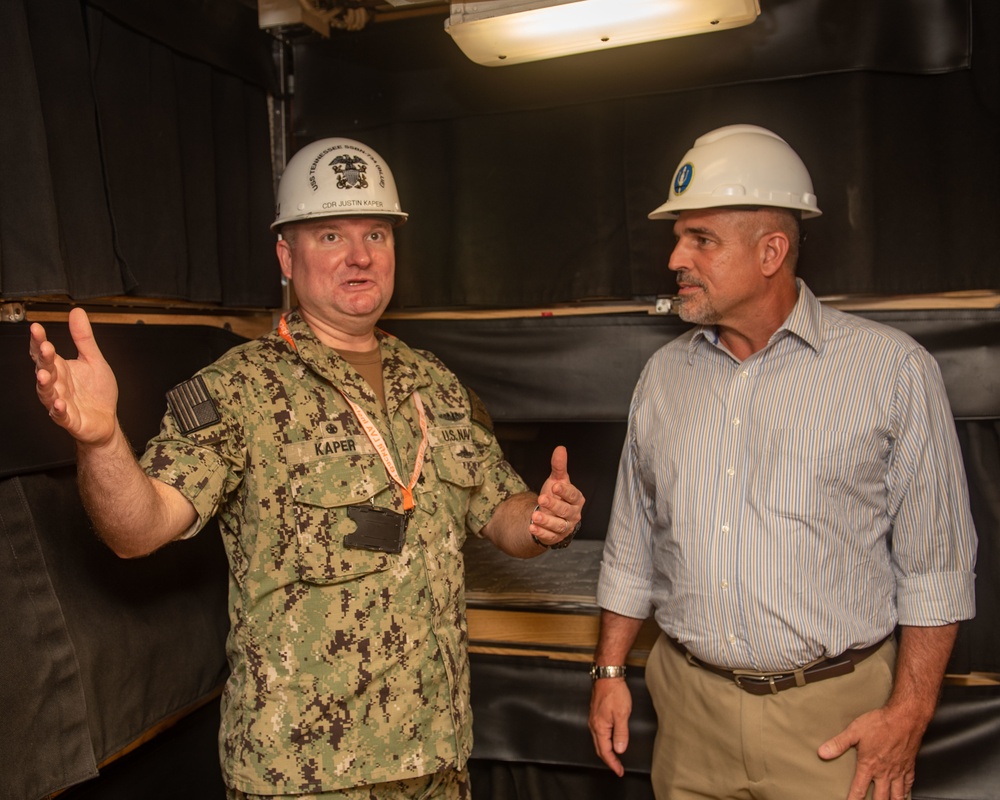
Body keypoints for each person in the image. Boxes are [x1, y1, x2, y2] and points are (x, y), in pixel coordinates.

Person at [30, 137, 585, 800]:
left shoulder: (435, 383)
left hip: (434, 761)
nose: (359, 256)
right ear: (286, 257)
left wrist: (545, 519)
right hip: (302, 776)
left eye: (375, 233)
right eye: (330, 235)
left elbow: (502, 516)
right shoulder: (238, 391)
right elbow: (138, 528)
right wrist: (100, 441)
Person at [587, 124, 977, 800]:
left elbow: (936, 567)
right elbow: (632, 544)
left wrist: (909, 716)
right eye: (678, 237)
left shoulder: (892, 371)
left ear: (772, 251)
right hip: (689, 713)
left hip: (831, 724)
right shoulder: (663, 376)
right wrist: (610, 673)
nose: (676, 257)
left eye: (701, 240)